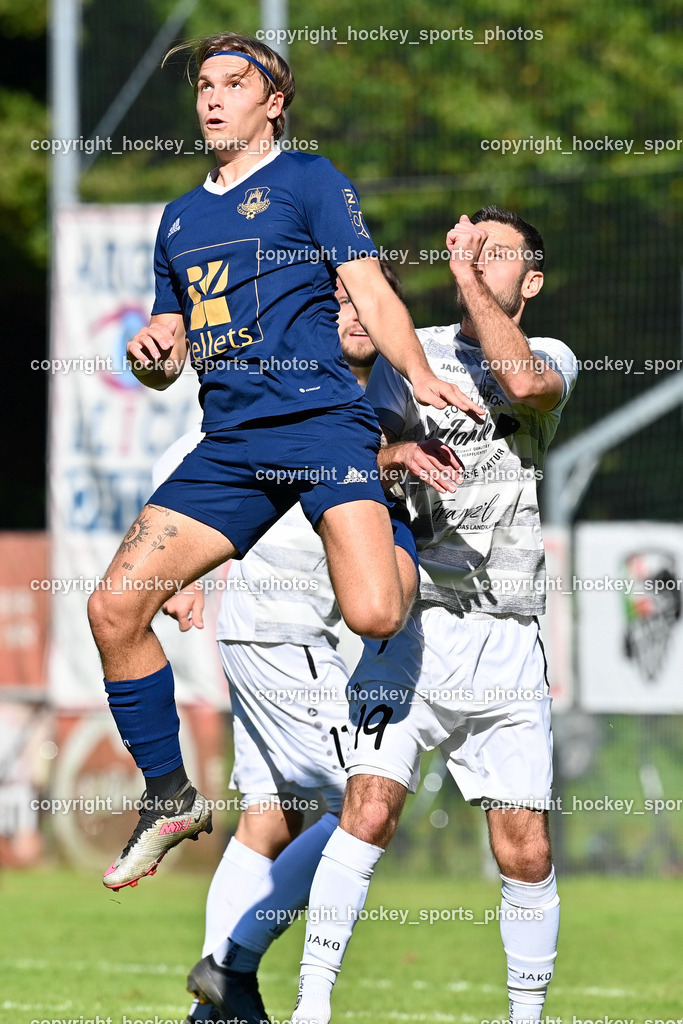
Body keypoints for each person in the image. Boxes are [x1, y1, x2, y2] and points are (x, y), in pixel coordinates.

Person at [87, 32, 482, 892]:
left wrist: (418, 375)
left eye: (235, 83)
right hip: (229, 444)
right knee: (115, 609)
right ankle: (168, 796)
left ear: (274, 103)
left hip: (321, 425)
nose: (212, 97)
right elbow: (169, 350)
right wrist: (155, 350)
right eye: (203, 85)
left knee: (375, 616)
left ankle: (399, 531)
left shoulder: (308, 180)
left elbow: (369, 287)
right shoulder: (180, 218)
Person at [289, 207, 579, 1024]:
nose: (477, 263)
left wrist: (460, 279)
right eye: (467, 249)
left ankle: (526, 1018)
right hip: (412, 628)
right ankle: (312, 1006)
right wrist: (392, 455)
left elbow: (521, 386)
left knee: (524, 848)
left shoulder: (550, 358)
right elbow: (342, 455)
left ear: (531, 281)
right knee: (369, 809)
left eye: (496, 256)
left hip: (507, 639)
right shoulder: (402, 356)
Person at [154, 266, 403, 1024]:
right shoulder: (293, 377)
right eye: (337, 302)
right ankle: (230, 965)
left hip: (307, 628)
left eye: (365, 299)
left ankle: (214, 1010)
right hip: (276, 623)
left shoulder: (391, 392)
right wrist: (178, 567)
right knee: (362, 799)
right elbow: (193, 452)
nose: (353, 313)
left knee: (269, 815)